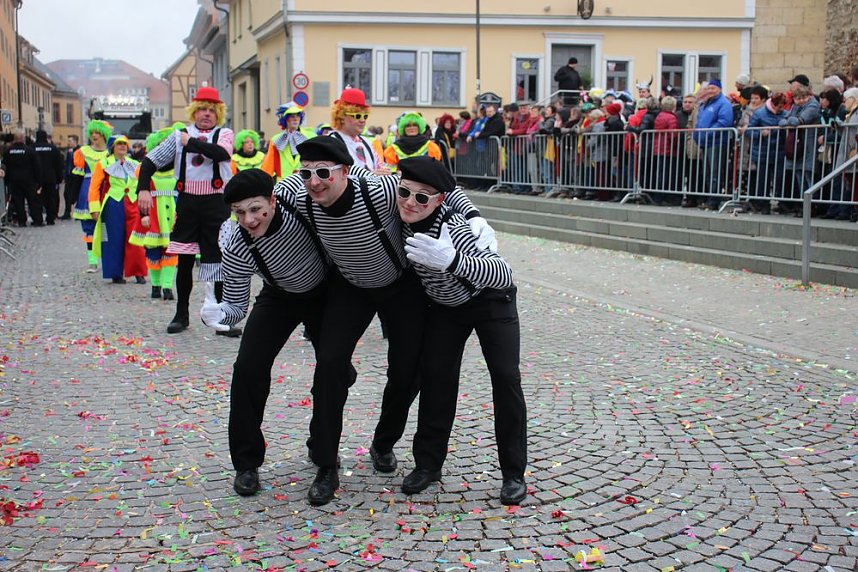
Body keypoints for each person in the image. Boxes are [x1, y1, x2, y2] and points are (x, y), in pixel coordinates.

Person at [272, 136, 496, 506]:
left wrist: (474, 217)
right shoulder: (300, 193)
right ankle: (326, 463)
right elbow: (265, 196)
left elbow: (440, 188)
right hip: (350, 287)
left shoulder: (378, 188)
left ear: (345, 171)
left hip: (399, 284)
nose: (315, 182)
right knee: (329, 363)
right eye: (307, 173)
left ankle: (383, 442)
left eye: (324, 173)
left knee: (408, 370)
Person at [200, 168, 344, 496]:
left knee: (331, 371)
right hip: (279, 296)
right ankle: (246, 464)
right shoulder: (237, 242)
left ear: (273, 201)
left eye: (255, 209)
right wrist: (219, 314)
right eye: (239, 213)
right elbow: (236, 305)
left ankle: (324, 460)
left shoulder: (297, 204)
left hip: (327, 293)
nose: (249, 220)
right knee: (248, 368)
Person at [392, 156, 527, 505]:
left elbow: (502, 273)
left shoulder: (453, 227)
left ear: (438, 201)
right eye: (405, 192)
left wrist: (452, 261)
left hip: (489, 301)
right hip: (446, 307)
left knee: (505, 377)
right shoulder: (397, 209)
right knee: (436, 377)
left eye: (422, 198)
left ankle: (513, 473)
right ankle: (428, 465)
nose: (410, 202)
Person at [137, 86, 240, 336]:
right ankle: (181, 314)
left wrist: (191, 143)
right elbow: (150, 161)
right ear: (194, 112)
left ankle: (220, 318)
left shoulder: (223, 134)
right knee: (183, 261)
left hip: (216, 203)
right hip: (188, 203)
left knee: (217, 261)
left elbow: (221, 154)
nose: (206, 114)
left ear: (218, 114)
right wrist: (143, 189)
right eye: (202, 109)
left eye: (211, 110)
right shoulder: (179, 135)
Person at [130, 124, 184, 299]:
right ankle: (155, 285)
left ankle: (167, 287)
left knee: (171, 251)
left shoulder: (179, 169)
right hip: (152, 216)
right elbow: (139, 194)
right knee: (153, 251)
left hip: (172, 218)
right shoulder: (145, 170)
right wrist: (144, 215)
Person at [89, 135, 147, 284]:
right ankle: (115, 273)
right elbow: (94, 187)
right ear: (112, 147)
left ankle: (138, 272)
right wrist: (94, 208)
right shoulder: (103, 164)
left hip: (133, 203)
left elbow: (143, 184)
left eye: (124, 144)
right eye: (119, 144)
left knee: (136, 238)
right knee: (113, 239)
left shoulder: (135, 164)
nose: (122, 146)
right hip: (113, 203)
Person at [71, 120, 112, 271]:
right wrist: (72, 198)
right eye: (92, 133)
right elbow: (75, 178)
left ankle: (109, 261)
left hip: (107, 189)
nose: (94, 136)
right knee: (89, 227)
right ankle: (92, 262)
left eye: (98, 133)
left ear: (104, 135)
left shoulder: (110, 153)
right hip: (88, 190)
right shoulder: (83, 152)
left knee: (108, 226)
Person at [693, 79, 734, 210]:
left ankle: (714, 200)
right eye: (709, 88)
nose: (710, 91)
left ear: (720, 89)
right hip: (706, 142)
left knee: (714, 172)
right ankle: (710, 197)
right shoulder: (705, 104)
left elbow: (724, 122)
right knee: (707, 173)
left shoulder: (723, 104)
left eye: (713, 88)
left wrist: (708, 133)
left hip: (717, 142)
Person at [329, 88, 387, 174]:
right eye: (357, 116)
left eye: (365, 116)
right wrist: (371, 176)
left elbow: (380, 167)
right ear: (341, 117)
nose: (362, 120)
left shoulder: (367, 143)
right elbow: (336, 177)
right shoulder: (331, 143)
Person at [261, 102, 316, 181]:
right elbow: (268, 165)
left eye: (298, 116)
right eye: (292, 116)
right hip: (284, 183)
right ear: (285, 119)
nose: (295, 119)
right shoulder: (276, 140)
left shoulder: (311, 136)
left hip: (306, 180)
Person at [2, 130, 43, 227]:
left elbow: (5, 166)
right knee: (32, 201)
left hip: (14, 180)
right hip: (29, 180)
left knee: (18, 202)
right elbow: (37, 167)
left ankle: (21, 220)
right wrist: (38, 181)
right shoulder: (30, 151)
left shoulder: (8, 151)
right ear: (23, 139)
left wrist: (7, 181)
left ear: (14, 140)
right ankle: (37, 220)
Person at [33, 130, 64, 225]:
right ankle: (50, 218)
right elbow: (59, 165)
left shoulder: (32, 148)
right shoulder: (53, 149)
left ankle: (38, 219)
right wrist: (59, 178)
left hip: (36, 179)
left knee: (37, 199)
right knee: (51, 199)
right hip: (51, 178)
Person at [60, 135, 80, 220]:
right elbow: (66, 164)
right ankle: (67, 212)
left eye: (70, 141)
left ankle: (79, 213)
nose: (68, 143)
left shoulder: (79, 151)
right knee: (66, 194)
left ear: (75, 141)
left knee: (77, 195)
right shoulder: (69, 151)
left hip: (77, 176)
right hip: (69, 176)